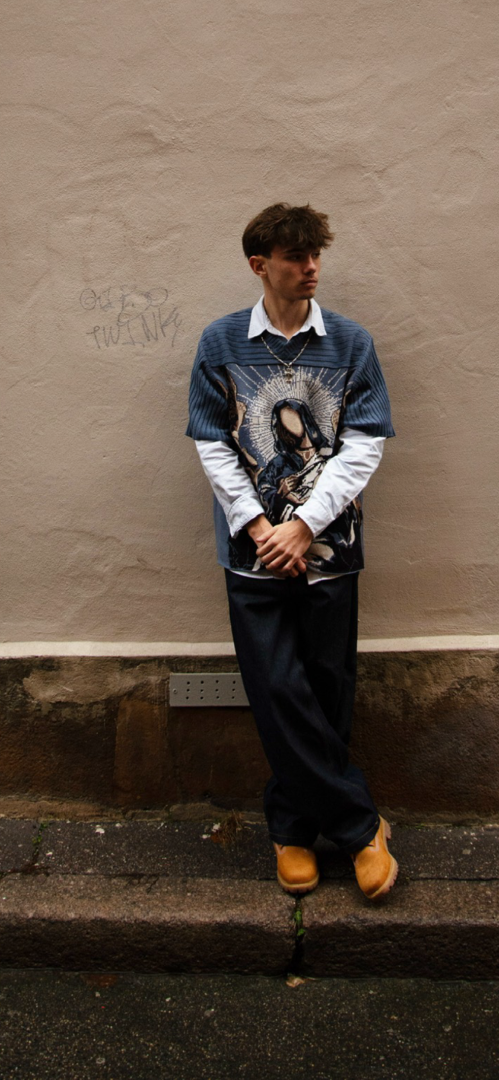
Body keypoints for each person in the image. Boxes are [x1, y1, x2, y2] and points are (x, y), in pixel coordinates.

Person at [186, 202, 398, 900]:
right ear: (260, 265)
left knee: (327, 688)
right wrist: (258, 527)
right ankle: (361, 827)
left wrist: (304, 525)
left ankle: (294, 829)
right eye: (295, 257)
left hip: (331, 549)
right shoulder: (221, 342)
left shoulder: (350, 343)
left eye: (315, 255)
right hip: (251, 554)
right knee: (277, 689)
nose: (310, 268)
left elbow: (363, 443)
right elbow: (212, 442)